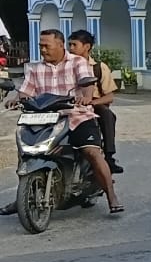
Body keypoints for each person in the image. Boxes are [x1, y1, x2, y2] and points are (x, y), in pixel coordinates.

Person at [0, 28, 122, 216]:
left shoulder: (78, 63)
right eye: (40, 46)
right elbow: (26, 90)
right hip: (43, 119)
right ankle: (23, 197)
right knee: (26, 152)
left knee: (91, 151)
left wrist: (86, 97)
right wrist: (16, 98)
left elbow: (86, 83)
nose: (43, 50)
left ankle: (111, 196)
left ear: (60, 45)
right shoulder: (35, 68)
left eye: (46, 46)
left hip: (76, 115)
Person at [66, 30, 124, 175]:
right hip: (70, 104)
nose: (71, 48)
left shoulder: (99, 67)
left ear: (87, 47)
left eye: (74, 45)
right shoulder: (65, 66)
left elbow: (109, 97)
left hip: (92, 105)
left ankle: (109, 157)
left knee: (107, 115)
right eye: (69, 45)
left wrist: (91, 102)